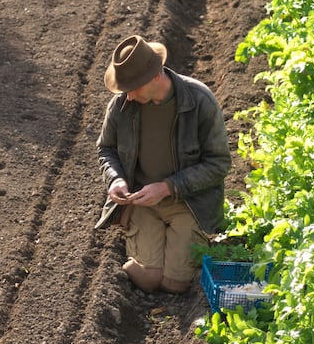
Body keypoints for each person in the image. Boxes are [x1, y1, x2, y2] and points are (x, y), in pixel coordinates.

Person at [95, 34, 231, 294]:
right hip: (143, 203)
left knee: (175, 284)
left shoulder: (199, 101)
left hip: (190, 203)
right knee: (148, 280)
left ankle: (186, 249)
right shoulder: (122, 105)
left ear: (155, 76)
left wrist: (168, 187)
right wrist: (116, 179)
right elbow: (106, 149)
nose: (130, 96)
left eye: (133, 88)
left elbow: (219, 163)